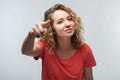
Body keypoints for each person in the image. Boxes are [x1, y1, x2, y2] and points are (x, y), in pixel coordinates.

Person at [21, 3, 96, 80]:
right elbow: (26, 51)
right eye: (60, 22)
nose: (67, 24)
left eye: (69, 19)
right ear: (52, 29)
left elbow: (89, 78)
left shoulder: (85, 49)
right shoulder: (45, 46)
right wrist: (31, 35)